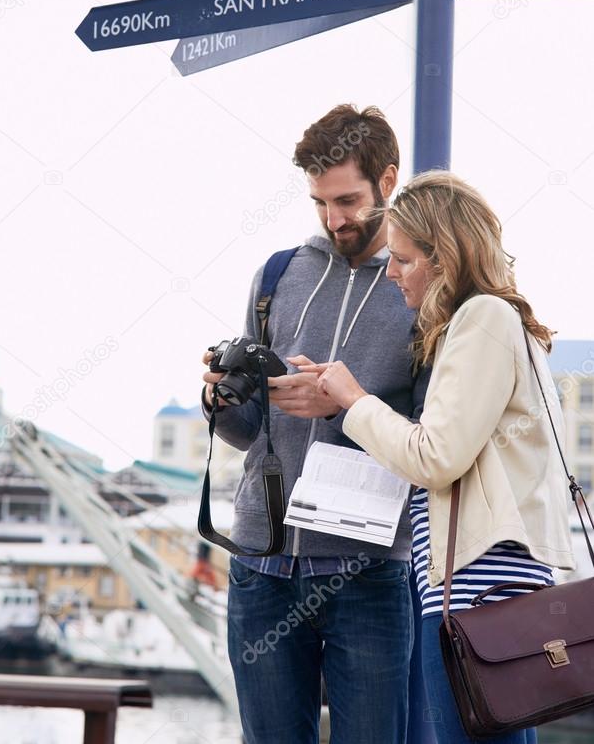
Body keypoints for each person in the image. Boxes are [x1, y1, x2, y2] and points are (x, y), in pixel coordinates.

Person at [304, 171, 575, 744]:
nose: (392, 271)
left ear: (444, 259)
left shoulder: (482, 319)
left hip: (475, 586)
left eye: (403, 259)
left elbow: (436, 457)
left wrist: (354, 401)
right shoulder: (501, 321)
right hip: (490, 584)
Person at [201, 104, 428, 744]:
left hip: (368, 571)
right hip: (263, 564)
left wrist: (343, 405)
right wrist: (223, 401)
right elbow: (252, 430)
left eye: (348, 200)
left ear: (389, 179)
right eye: (320, 203)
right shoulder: (278, 274)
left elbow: (432, 437)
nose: (334, 219)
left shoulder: (423, 285)